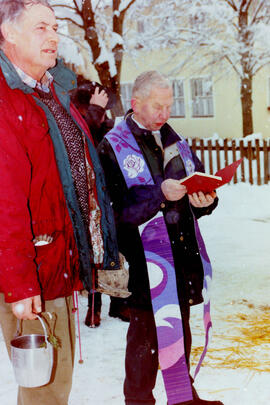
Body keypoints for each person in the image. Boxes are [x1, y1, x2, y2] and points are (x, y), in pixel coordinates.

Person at [0, 1, 120, 405]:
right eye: (40, 28)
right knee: (43, 387)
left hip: (55, 259)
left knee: (57, 378)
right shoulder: (6, 100)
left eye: (55, 27)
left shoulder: (51, 89)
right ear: (8, 32)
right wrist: (19, 283)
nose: (53, 36)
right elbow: (5, 200)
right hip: (29, 266)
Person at [98, 71, 224, 405]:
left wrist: (205, 200)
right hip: (142, 259)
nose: (164, 114)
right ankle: (138, 400)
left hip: (180, 250)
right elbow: (114, 212)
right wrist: (159, 195)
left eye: (169, 106)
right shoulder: (113, 145)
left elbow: (197, 183)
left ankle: (184, 396)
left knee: (179, 327)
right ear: (136, 103)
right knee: (144, 336)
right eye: (157, 106)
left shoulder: (174, 140)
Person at [70, 79, 130, 327]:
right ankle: (94, 307)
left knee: (116, 252)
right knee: (94, 252)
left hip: (111, 198)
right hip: (90, 200)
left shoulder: (106, 126)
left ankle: (118, 303)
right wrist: (94, 112)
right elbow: (82, 145)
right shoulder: (80, 122)